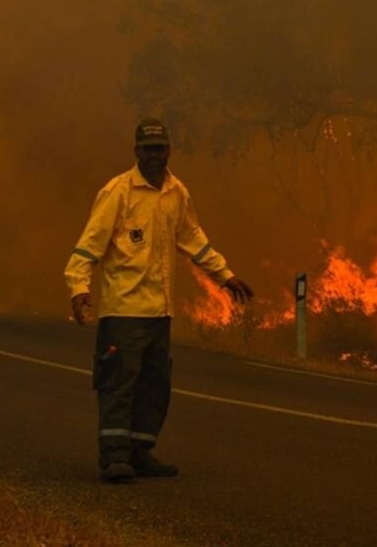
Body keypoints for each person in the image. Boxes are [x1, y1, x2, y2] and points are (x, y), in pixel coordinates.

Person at [64, 118, 253, 483]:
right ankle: (114, 457)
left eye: (160, 148)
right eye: (148, 149)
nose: (155, 155)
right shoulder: (117, 192)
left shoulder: (176, 192)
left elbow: (194, 239)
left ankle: (140, 452)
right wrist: (79, 288)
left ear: (169, 150)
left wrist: (225, 276)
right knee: (118, 384)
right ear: (136, 151)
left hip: (159, 313)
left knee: (154, 385)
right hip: (123, 311)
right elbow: (88, 247)